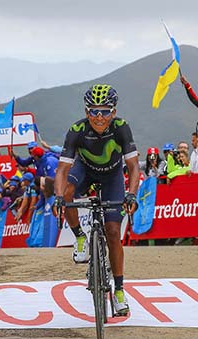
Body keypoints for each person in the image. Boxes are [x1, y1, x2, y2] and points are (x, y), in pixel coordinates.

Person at [53, 84, 139, 316]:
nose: (99, 117)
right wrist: (59, 198)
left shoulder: (122, 128)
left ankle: (119, 290)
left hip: (112, 176)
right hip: (85, 171)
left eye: (104, 111)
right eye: (93, 111)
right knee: (68, 191)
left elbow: (133, 167)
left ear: (113, 112)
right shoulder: (77, 130)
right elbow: (62, 169)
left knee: (113, 232)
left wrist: (131, 194)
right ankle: (80, 237)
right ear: (86, 110)